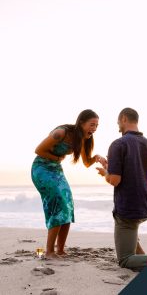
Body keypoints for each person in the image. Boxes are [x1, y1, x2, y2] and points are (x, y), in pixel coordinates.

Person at [31, 109, 107, 259]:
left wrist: (97, 157)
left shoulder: (84, 139)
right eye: (92, 125)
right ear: (81, 123)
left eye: (96, 126)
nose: (94, 129)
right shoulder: (61, 133)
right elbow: (39, 150)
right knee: (58, 202)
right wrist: (57, 158)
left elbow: (86, 162)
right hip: (41, 169)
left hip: (56, 170)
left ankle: (60, 250)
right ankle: (49, 251)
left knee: (68, 203)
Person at [96, 108, 147, 270]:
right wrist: (109, 166)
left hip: (128, 210)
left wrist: (105, 173)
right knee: (131, 231)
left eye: (118, 121)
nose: (118, 125)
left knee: (125, 259)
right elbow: (138, 172)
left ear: (124, 118)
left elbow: (115, 180)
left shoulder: (118, 144)